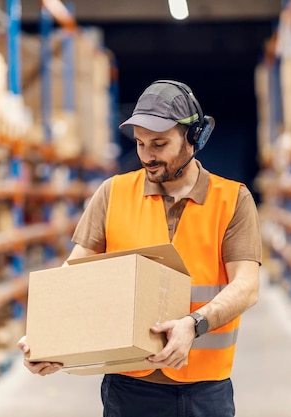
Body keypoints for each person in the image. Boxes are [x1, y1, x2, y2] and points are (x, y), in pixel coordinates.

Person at [18, 80, 262, 417]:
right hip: (128, 386)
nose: (147, 155)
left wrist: (194, 325)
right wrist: (47, 338)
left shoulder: (232, 199)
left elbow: (247, 287)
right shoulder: (112, 193)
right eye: (140, 143)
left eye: (159, 144)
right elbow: (73, 277)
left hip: (206, 389)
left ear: (194, 138)